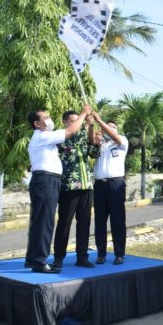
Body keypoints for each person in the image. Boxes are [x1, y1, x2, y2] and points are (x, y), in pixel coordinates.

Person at [25, 104, 92, 274]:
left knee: (40, 221)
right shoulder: (42, 136)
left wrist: (86, 124)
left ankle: (33, 258)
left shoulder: (44, 136)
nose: (49, 119)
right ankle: (39, 261)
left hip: (48, 180)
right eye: (45, 118)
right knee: (45, 222)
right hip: (45, 180)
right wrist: (83, 113)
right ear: (37, 124)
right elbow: (70, 132)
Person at [50, 111, 101, 269]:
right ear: (65, 122)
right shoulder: (61, 136)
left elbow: (94, 151)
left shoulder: (82, 137)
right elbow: (75, 136)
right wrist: (86, 119)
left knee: (84, 223)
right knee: (65, 223)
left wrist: (91, 125)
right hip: (69, 186)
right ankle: (58, 257)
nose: (77, 123)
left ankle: (82, 257)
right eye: (74, 121)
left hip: (86, 186)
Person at [92, 111, 129, 265]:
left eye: (113, 127)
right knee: (100, 220)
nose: (110, 129)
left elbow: (113, 136)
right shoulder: (99, 145)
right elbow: (91, 146)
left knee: (117, 220)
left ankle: (119, 253)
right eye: (108, 127)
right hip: (100, 185)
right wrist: (92, 128)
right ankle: (101, 253)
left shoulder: (122, 142)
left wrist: (99, 120)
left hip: (116, 184)